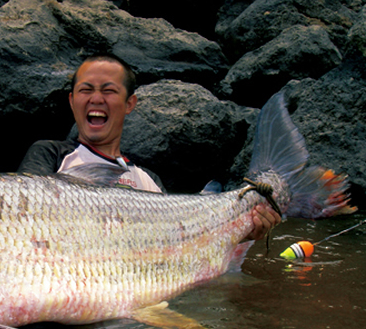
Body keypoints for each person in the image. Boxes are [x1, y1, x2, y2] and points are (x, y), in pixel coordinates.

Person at [18, 53, 280, 240]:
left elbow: (182, 240)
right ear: (72, 100)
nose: (96, 99)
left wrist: (245, 232)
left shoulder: (147, 180)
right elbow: (25, 218)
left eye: (108, 91)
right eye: (86, 90)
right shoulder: (50, 155)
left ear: (130, 103)